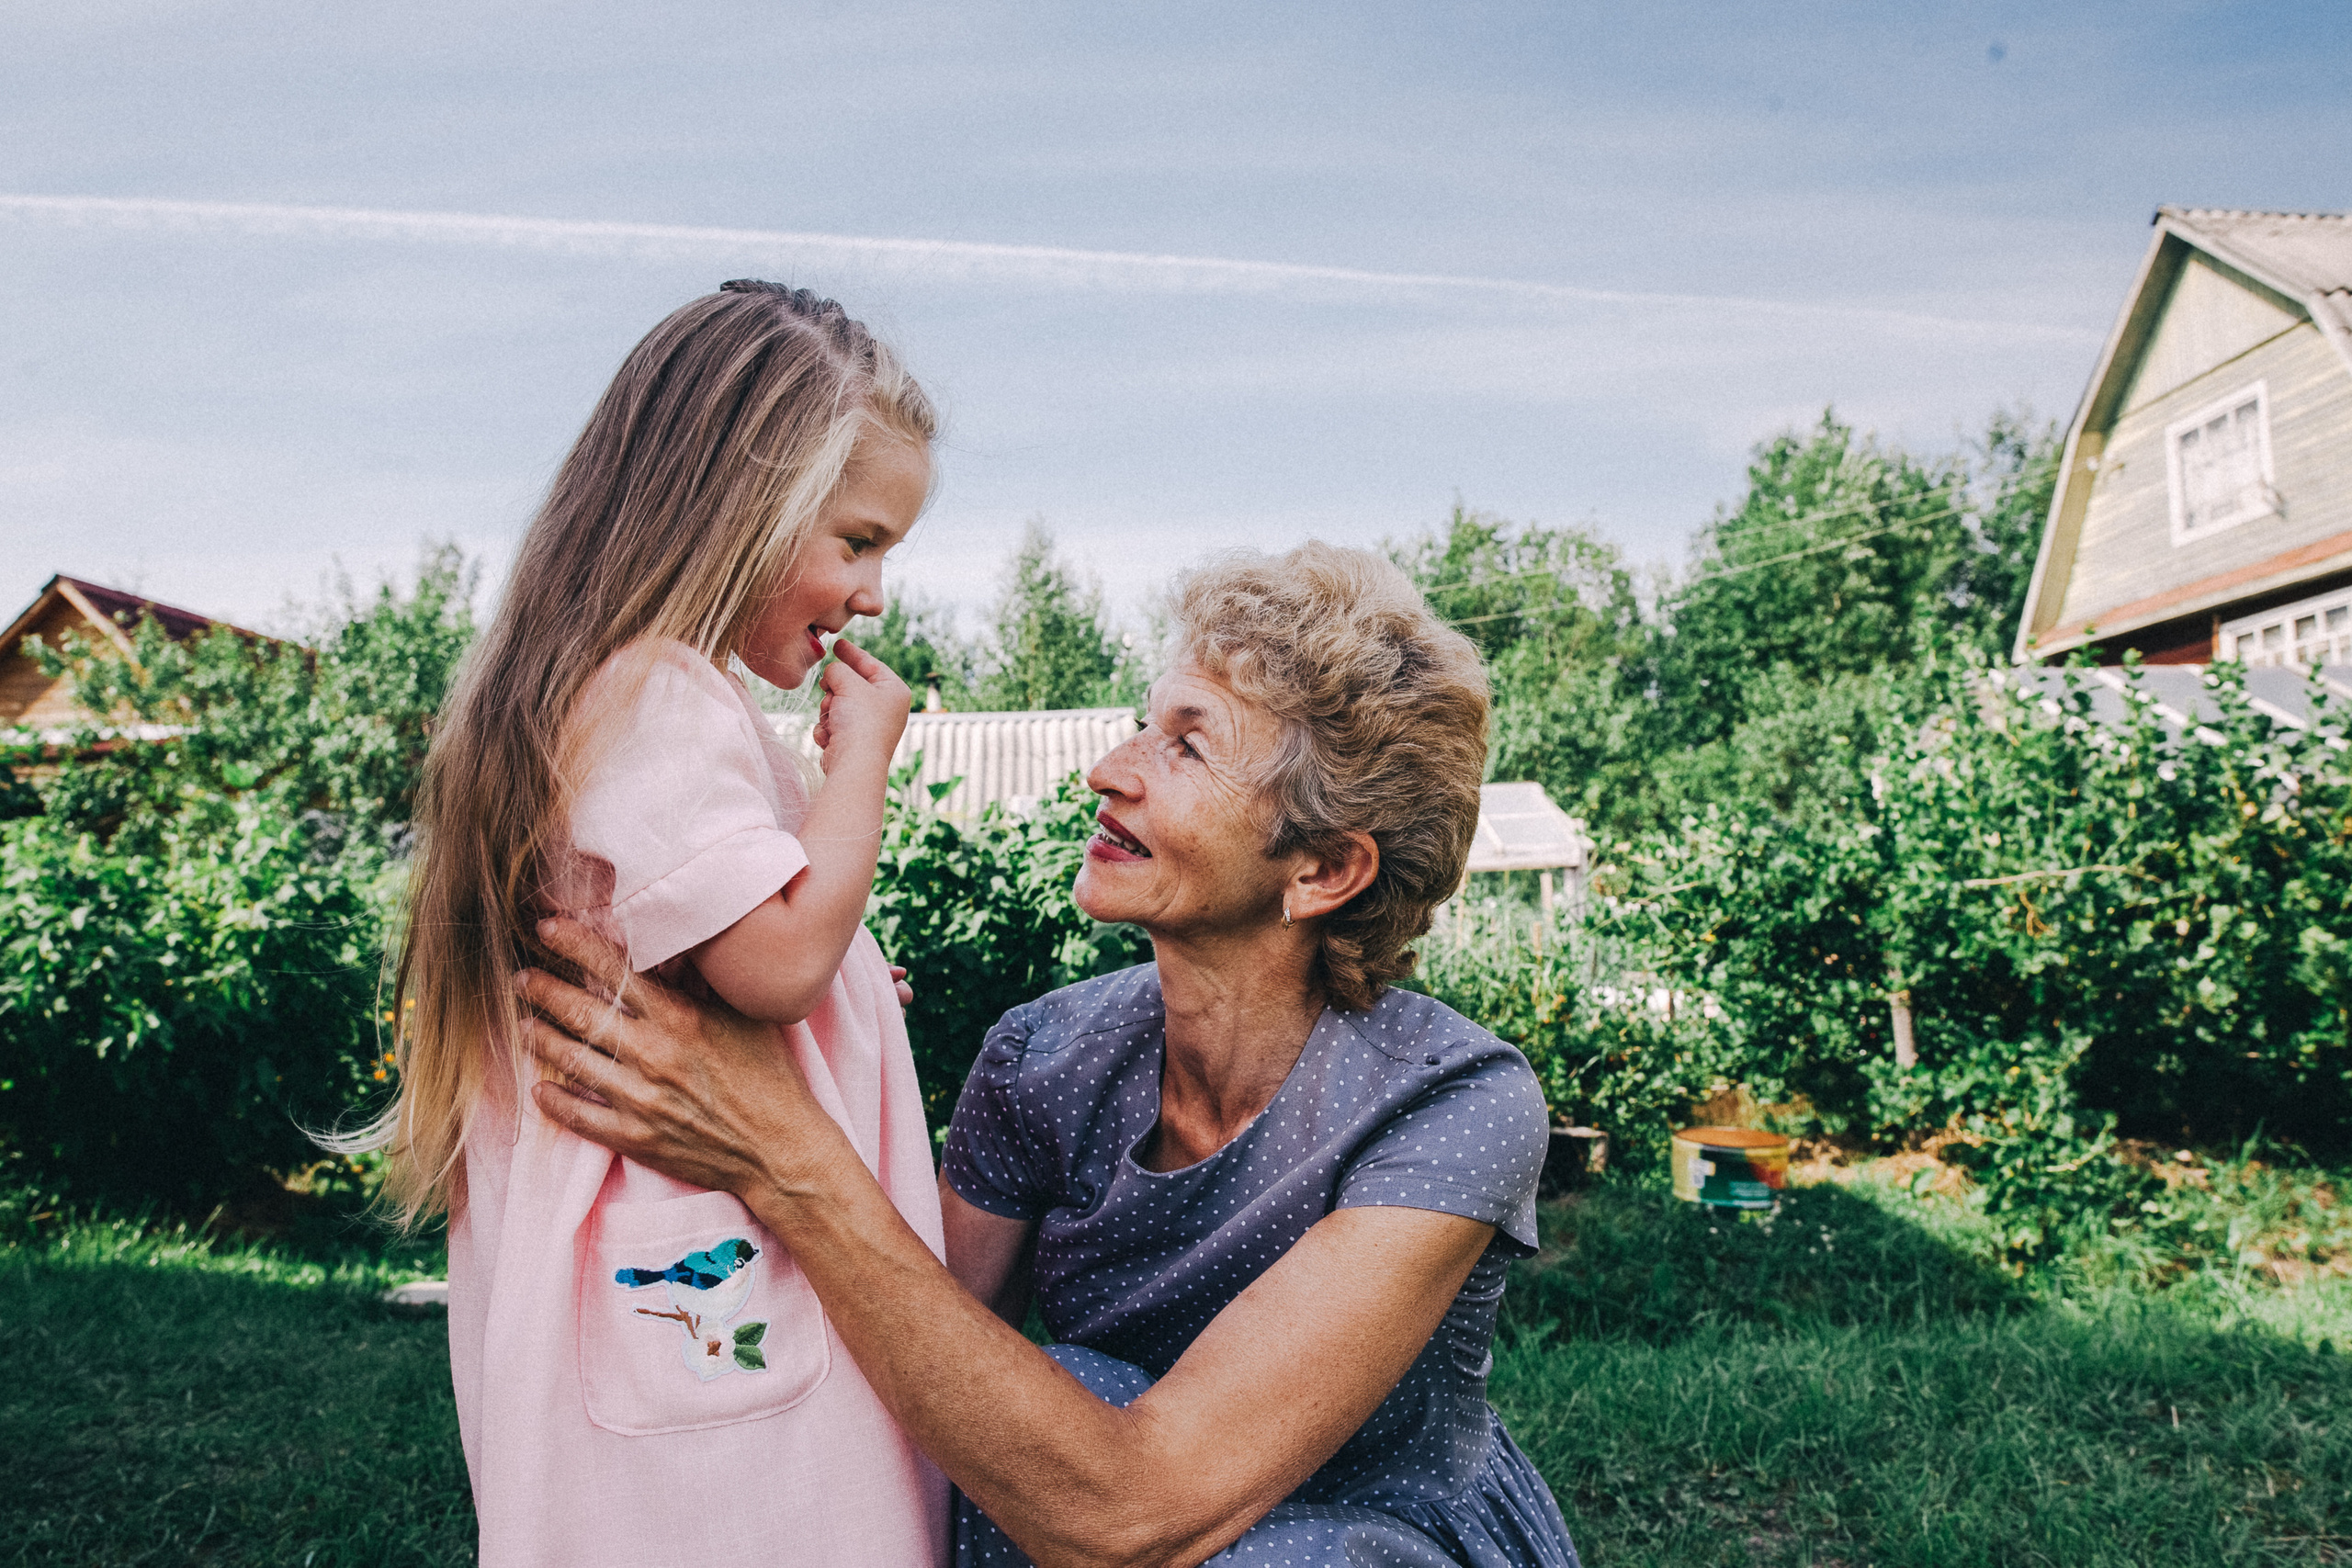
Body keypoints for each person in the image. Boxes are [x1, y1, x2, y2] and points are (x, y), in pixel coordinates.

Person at [514, 543, 1584, 1568]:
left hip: (1348, 1539)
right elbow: (914, 1356)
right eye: (1138, 726)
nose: (1105, 772)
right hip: (1096, 1504)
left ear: (1321, 870)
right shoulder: (1043, 1058)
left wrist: (783, 1151)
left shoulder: (1453, 1105)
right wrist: (787, 1040)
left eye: (1186, 745)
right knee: (1023, 1422)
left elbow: (1137, 1514)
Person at [335, 281, 950, 1566]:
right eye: (857, 539)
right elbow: (778, 957)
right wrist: (863, 767)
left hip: (698, 1226)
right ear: (739, 502)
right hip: (709, 1241)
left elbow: (738, 954)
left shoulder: (629, 691)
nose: (875, 593)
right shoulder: (655, 697)